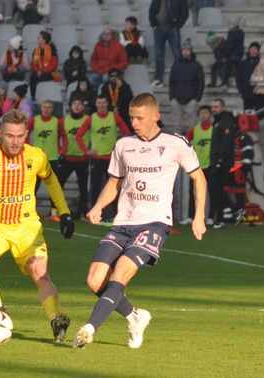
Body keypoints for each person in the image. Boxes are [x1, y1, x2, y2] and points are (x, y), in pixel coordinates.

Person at [73, 93, 207, 349]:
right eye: (132, 117)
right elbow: (114, 182)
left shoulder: (176, 143)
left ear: (155, 116)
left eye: (140, 118)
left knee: (120, 274)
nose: (134, 122)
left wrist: (198, 216)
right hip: (123, 222)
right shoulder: (124, 145)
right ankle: (135, 316)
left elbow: (199, 178)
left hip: (154, 223)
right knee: (94, 280)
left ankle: (89, 328)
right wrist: (98, 206)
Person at [0, 109, 76, 341]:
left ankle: (56, 319)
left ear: (26, 133)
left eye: (20, 136)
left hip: (27, 228)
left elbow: (51, 180)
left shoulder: (36, 156)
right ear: (0, 133)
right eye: (10, 135)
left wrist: (65, 213)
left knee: (39, 272)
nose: (15, 141)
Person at [76, 95, 132, 223]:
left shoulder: (114, 117)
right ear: (96, 105)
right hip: (96, 158)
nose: (101, 105)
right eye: (99, 103)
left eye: (103, 103)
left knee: (116, 187)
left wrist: (123, 149)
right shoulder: (91, 119)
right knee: (95, 187)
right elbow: (79, 136)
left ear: (107, 104)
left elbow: (127, 133)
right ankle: (94, 215)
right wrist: (86, 151)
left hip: (112, 159)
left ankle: (117, 216)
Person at [27, 99, 62, 220]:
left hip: (52, 159)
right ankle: (30, 212)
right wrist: (25, 149)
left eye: (49, 107)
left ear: (52, 109)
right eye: (44, 107)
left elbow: (64, 136)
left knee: (53, 187)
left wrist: (62, 149)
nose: (46, 109)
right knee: (32, 187)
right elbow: (25, 133)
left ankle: (53, 213)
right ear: (41, 108)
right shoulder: (34, 120)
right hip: (36, 160)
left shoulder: (57, 122)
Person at [58, 97, 91, 219]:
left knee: (83, 188)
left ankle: (81, 213)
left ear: (83, 107)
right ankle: (59, 211)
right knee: (58, 184)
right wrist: (59, 149)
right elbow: (55, 135)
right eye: (74, 104)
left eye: (79, 104)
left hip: (82, 159)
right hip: (67, 159)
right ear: (70, 106)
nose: (77, 106)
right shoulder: (63, 120)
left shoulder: (88, 120)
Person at [180, 104, 213, 225]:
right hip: (196, 166)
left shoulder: (214, 128)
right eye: (201, 113)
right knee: (193, 191)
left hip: (209, 164)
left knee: (211, 192)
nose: (203, 115)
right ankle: (190, 216)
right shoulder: (195, 129)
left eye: (206, 113)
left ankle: (210, 217)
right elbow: (184, 142)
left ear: (210, 115)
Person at [148, 0, 189, 88]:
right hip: (158, 29)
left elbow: (185, 12)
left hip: (173, 29)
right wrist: (153, 25)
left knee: (177, 55)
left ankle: (180, 79)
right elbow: (151, 10)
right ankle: (158, 79)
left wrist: (177, 26)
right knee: (159, 56)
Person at [209, 98, 236, 228]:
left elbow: (226, 142)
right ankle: (222, 216)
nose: (214, 109)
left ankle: (220, 219)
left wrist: (220, 161)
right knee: (215, 190)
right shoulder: (218, 122)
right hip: (216, 161)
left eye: (217, 107)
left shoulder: (226, 122)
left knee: (217, 190)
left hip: (222, 162)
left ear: (223, 107)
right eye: (213, 107)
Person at [168, 38, 204, 134]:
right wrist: (171, 97)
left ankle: (190, 146)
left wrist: (197, 98)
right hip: (176, 99)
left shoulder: (197, 65)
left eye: (187, 50)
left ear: (191, 51)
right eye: (184, 50)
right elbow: (171, 81)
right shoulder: (176, 65)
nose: (185, 52)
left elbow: (201, 83)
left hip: (191, 100)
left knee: (191, 126)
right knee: (176, 126)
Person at [30, 31, 60, 100]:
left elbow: (53, 66)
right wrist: (37, 70)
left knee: (43, 77)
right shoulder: (36, 50)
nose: (37, 39)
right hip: (38, 72)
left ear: (44, 40)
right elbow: (33, 64)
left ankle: (43, 96)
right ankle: (33, 96)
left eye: (39, 37)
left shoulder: (52, 50)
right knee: (33, 76)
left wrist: (42, 71)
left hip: (50, 72)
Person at [236, 42, 260, 111]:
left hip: (259, 94)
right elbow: (238, 78)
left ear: (258, 51)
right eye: (251, 48)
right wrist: (243, 91)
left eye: (255, 49)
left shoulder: (261, 63)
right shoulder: (243, 63)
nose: (253, 51)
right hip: (246, 94)